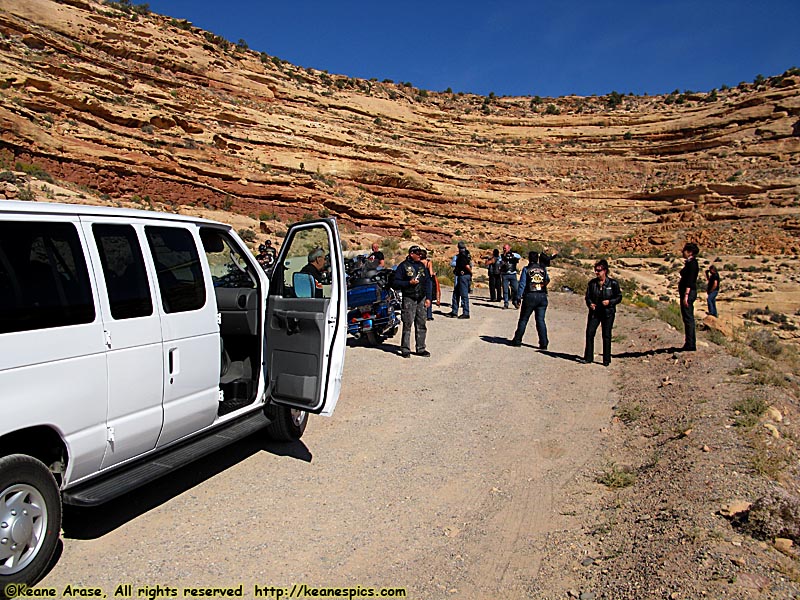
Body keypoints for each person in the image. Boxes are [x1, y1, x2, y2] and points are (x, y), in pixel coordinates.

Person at [393, 245, 432, 358]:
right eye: (417, 253)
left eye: (420, 253)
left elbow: (428, 282)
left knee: (421, 323)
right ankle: (405, 349)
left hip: (421, 298)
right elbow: (396, 282)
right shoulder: (403, 266)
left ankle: (420, 348)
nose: (420, 255)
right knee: (407, 323)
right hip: (409, 298)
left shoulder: (421, 266)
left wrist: (429, 298)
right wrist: (408, 283)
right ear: (411, 254)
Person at [582, 259, 623, 366]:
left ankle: (606, 359)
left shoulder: (613, 283)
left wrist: (610, 302)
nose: (596, 272)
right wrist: (590, 304)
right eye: (595, 270)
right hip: (595, 313)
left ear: (605, 271)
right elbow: (587, 297)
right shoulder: (592, 283)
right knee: (590, 333)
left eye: (598, 270)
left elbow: (619, 297)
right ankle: (588, 357)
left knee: (606, 335)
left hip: (608, 313)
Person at [510, 251, 550, 349]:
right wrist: (541, 285)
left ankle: (517, 340)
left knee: (524, 319)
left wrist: (518, 297)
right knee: (540, 320)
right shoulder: (543, 269)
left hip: (530, 295)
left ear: (529, 259)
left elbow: (522, 284)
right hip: (542, 295)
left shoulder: (526, 269)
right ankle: (543, 343)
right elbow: (547, 280)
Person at [679, 242, 700, 351]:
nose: (683, 252)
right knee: (687, 318)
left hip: (688, 293)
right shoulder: (690, 263)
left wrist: (686, 295)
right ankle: (689, 343)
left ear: (690, 252)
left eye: (685, 251)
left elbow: (690, 281)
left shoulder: (692, 264)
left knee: (688, 318)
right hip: (687, 293)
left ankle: (690, 344)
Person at [448, 241, 472, 319]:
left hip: (463, 276)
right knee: (456, 294)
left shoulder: (462, 256)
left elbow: (467, 266)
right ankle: (454, 312)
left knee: (463, 295)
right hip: (462, 275)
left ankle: (466, 313)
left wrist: (470, 272)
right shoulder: (467, 254)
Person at [499, 243, 521, 309]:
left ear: (509, 248)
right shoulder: (501, 256)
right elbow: (499, 262)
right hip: (505, 274)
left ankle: (515, 301)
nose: (504, 249)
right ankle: (506, 303)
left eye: (505, 248)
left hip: (512, 274)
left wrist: (511, 254)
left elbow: (519, 256)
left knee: (515, 289)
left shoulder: (514, 255)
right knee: (505, 290)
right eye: (504, 248)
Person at [421, 249, 440, 320]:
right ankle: (429, 315)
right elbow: (431, 273)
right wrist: (434, 274)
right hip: (428, 281)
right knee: (429, 297)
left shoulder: (418, 262)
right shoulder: (428, 262)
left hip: (420, 281)